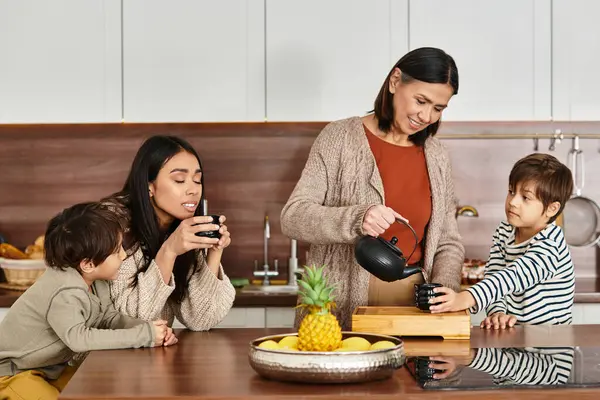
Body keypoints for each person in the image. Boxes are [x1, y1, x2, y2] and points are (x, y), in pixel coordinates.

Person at [280, 47, 465, 330]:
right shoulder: (339, 138)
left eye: (438, 108)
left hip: (415, 307)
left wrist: (442, 291)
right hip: (341, 305)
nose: (427, 116)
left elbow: (448, 241)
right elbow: (293, 217)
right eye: (421, 100)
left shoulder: (436, 155)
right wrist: (356, 219)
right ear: (394, 82)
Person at [0, 202, 175, 400]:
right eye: (117, 250)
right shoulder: (65, 292)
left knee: (99, 386)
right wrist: (144, 335)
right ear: (88, 264)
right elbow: (79, 339)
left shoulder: (95, 281)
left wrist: (150, 329)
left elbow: (108, 318)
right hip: (13, 374)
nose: (124, 255)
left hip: (48, 370)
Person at [102, 135, 235, 331]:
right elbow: (129, 322)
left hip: (154, 354)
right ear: (149, 185)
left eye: (197, 180)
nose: (193, 190)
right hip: (103, 357)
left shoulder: (181, 227)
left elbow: (201, 320)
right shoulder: (113, 225)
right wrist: (169, 251)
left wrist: (214, 253)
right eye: (179, 180)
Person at [429, 153, 575, 327]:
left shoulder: (551, 245)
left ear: (552, 208)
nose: (513, 201)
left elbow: (512, 277)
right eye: (511, 191)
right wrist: (498, 312)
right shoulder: (504, 232)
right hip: (515, 339)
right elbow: (494, 274)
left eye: (525, 197)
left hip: (548, 344)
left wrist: (467, 298)